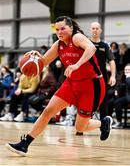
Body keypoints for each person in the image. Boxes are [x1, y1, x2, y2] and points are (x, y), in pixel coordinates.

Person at [6, 16, 112, 156]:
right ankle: (24, 144)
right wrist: (36, 58)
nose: (60, 32)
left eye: (63, 28)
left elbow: (91, 48)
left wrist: (77, 65)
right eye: (57, 30)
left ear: (71, 28)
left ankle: (103, 123)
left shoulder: (77, 38)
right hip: (71, 83)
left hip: (91, 85)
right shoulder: (58, 45)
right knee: (48, 111)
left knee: (80, 126)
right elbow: (43, 63)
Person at [90, 22, 116, 120]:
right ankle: (82, 125)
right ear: (90, 30)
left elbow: (112, 61)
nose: (95, 30)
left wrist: (113, 76)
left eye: (97, 28)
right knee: (87, 100)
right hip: (88, 78)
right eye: (93, 28)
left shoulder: (105, 45)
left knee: (103, 101)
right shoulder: (86, 44)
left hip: (101, 78)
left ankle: (104, 125)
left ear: (100, 30)